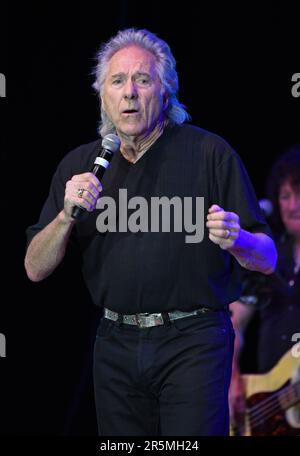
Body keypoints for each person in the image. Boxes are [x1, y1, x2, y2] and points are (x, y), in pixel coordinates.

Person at [24, 28, 277, 436]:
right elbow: (34, 268)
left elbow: (267, 259)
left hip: (193, 341)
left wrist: (239, 240)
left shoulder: (210, 154)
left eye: (143, 80)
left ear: (165, 91)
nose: (129, 93)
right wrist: (65, 217)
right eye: (117, 81)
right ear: (102, 94)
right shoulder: (81, 166)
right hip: (115, 345)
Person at [229, 145, 300, 435]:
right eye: (284, 196)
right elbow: (232, 324)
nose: (292, 204)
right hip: (266, 409)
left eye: (299, 193)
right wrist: (232, 377)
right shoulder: (268, 258)